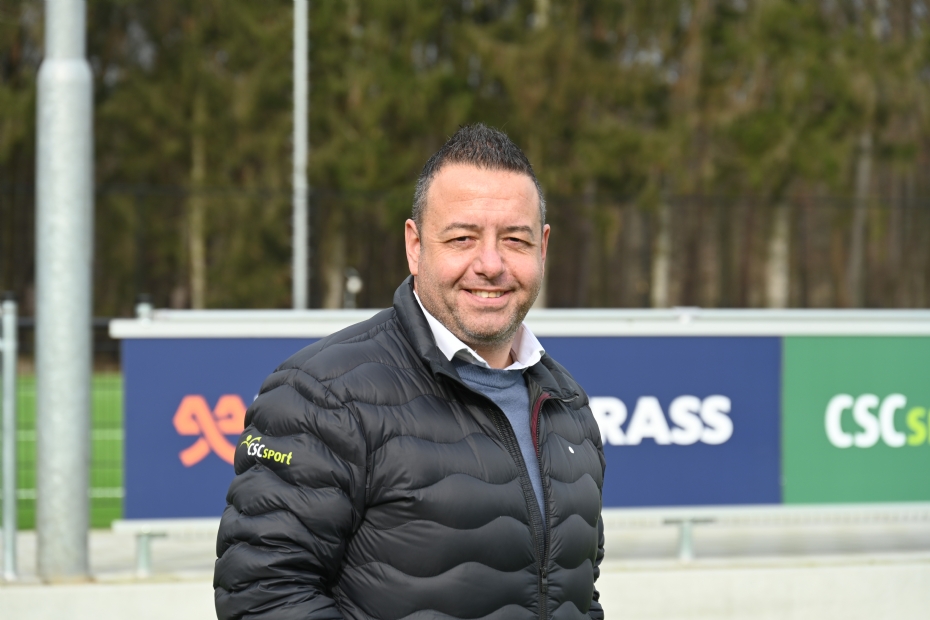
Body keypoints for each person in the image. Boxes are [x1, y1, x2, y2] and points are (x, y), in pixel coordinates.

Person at [214, 124, 606, 620]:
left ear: (542, 249)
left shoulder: (567, 407)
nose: (490, 264)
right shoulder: (320, 395)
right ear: (415, 245)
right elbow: (262, 596)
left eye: (514, 240)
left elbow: (577, 595)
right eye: (462, 238)